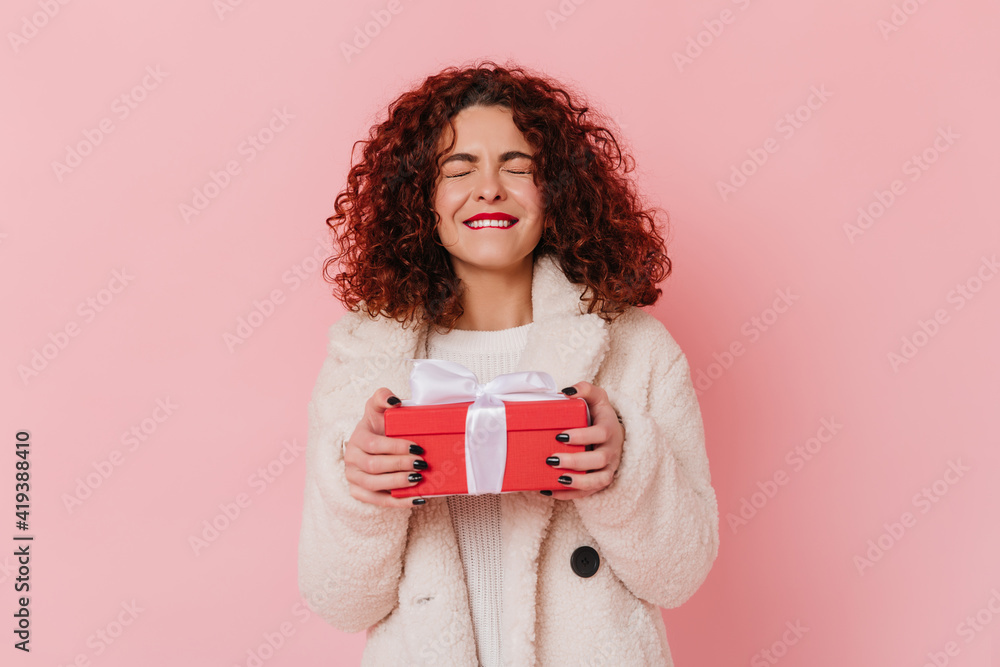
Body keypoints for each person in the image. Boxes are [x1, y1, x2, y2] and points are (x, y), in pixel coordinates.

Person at [297, 60, 719, 666]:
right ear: (421, 200)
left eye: (518, 167)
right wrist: (360, 491)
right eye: (458, 168)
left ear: (558, 194)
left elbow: (680, 576)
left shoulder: (638, 349)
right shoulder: (363, 355)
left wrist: (623, 464)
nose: (489, 187)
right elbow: (340, 603)